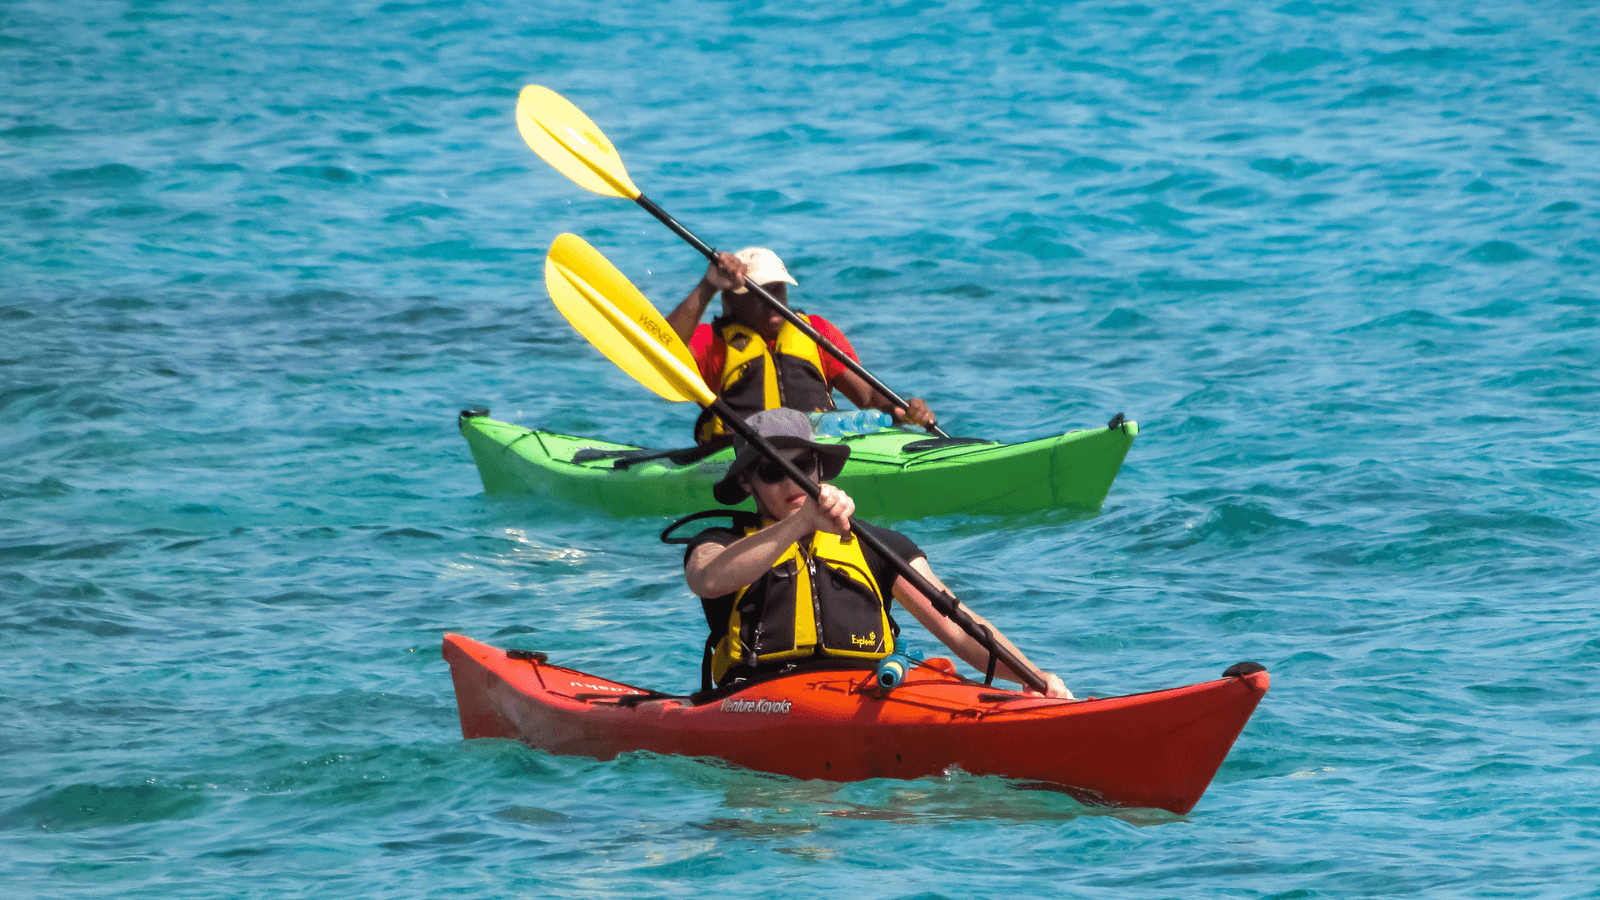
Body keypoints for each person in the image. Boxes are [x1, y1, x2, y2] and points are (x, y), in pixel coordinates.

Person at [673, 408, 1071, 697]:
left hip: (868, 694)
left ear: (820, 467)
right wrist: (800, 524)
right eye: (774, 472)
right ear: (746, 481)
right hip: (762, 699)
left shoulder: (879, 546)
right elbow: (705, 579)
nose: (792, 481)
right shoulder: (721, 543)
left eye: (803, 465)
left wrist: (1032, 677)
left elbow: (956, 624)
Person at [664, 247, 938, 445]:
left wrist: (903, 409)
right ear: (730, 302)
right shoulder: (713, 341)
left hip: (819, 448)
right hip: (741, 455)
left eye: (777, 289)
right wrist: (708, 286)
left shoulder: (817, 331)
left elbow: (868, 398)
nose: (772, 300)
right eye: (759, 292)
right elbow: (663, 352)